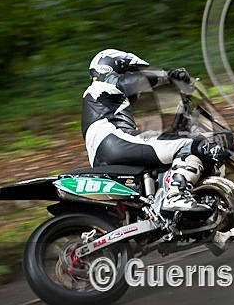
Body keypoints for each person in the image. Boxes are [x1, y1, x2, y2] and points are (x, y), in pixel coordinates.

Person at [81, 48, 214, 220]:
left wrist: (177, 128)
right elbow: (131, 82)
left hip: (112, 147)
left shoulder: (110, 104)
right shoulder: (99, 87)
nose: (134, 76)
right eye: (130, 72)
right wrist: (169, 75)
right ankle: (176, 196)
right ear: (109, 69)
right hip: (113, 143)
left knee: (175, 150)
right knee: (192, 144)